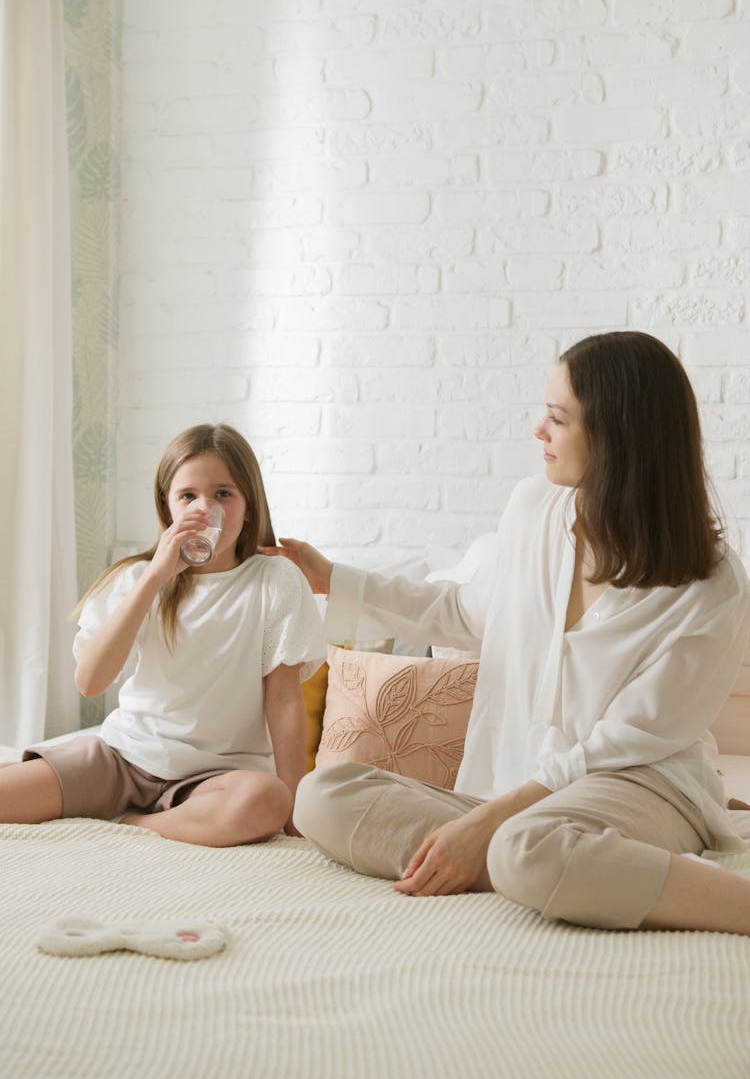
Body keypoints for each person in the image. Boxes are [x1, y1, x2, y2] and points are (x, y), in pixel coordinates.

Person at [265, 333, 750, 934]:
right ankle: (530, 862)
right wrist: (331, 579)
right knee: (322, 794)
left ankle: (529, 859)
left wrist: (489, 824)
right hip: (514, 792)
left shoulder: (712, 582)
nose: (537, 430)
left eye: (557, 418)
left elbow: (628, 741)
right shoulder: (533, 511)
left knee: (527, 845)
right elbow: (467, 613)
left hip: (638, 785)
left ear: (618, 436)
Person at [0, 424, 325, 846]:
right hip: (122, 758)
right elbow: (90, 681)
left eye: (223, 494)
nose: (205, 508)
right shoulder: (137, 577)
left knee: (267, 800)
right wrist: (156, 576)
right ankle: (112, 804)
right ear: (168, 507)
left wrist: (295, 805)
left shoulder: (275, 579)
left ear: (248, 508)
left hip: (214, 777)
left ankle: (132, 825)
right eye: (188, 496)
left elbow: (283, 700)